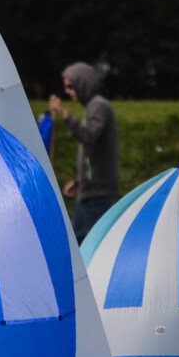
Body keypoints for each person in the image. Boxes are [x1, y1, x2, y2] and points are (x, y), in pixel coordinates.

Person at [49, 62, 118, 244]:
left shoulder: (98, 106)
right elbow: (92, 154)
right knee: (86, 246)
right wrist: (80, 182)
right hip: (92, 192)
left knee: (76, 247)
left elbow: (88, 137)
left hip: (96, 195)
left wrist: (65, 113)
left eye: (70, 86)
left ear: (83, 83)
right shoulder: (93, 107)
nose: (68, 91)